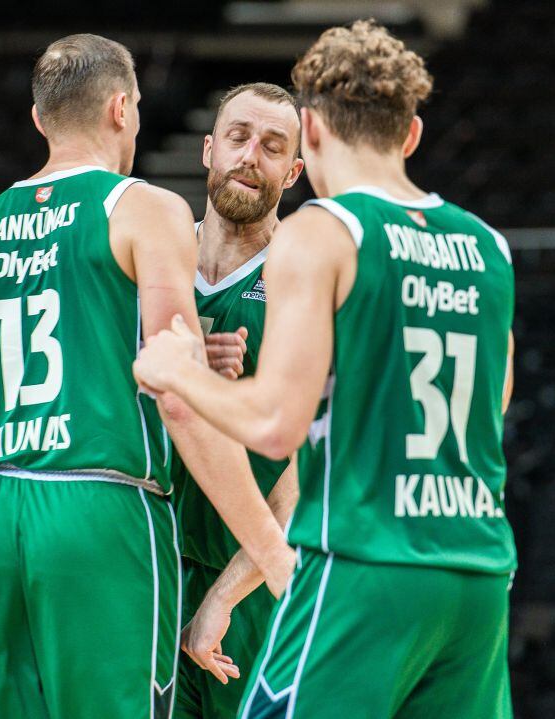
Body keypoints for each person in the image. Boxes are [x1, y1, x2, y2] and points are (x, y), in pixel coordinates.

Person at [0, 33, 293, 719]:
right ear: (123, 109)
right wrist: (279, 561)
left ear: (40, 119)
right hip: (103, 509)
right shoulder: (145, 209)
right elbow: (176, 400)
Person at [134, 19, 516, 719]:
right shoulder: (488, 246)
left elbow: (276, 427)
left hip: (365, 560)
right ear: (412, 136)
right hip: (477, 566)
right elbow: (490, 406)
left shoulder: (325, 230)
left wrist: (178, 370)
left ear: (308, 136)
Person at [173, 83, 305, 719]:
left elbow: (301, 488)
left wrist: (223, 598)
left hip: (249, 584)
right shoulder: (153, 268)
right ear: (208, 149)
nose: (251, 155)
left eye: (273, 146)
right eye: (238, 137)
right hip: (145, 569)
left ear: (294, 171)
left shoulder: (303, 284)